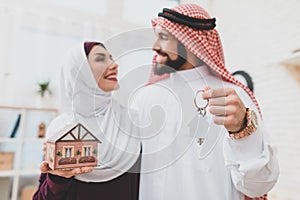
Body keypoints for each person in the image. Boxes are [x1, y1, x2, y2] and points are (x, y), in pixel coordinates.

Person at [130, 4, 279, 200]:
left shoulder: (235, 96)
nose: (155, 46)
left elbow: (258, 185)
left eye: (164, 37)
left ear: (190, 42)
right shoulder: (145, 98)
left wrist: (242, 128)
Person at [33, 42, 141, 200]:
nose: (114, 65)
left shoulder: (132, 121)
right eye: (100, 59)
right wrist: (58, 177)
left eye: (111, 58)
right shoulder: (60, 128)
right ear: (79, 70)